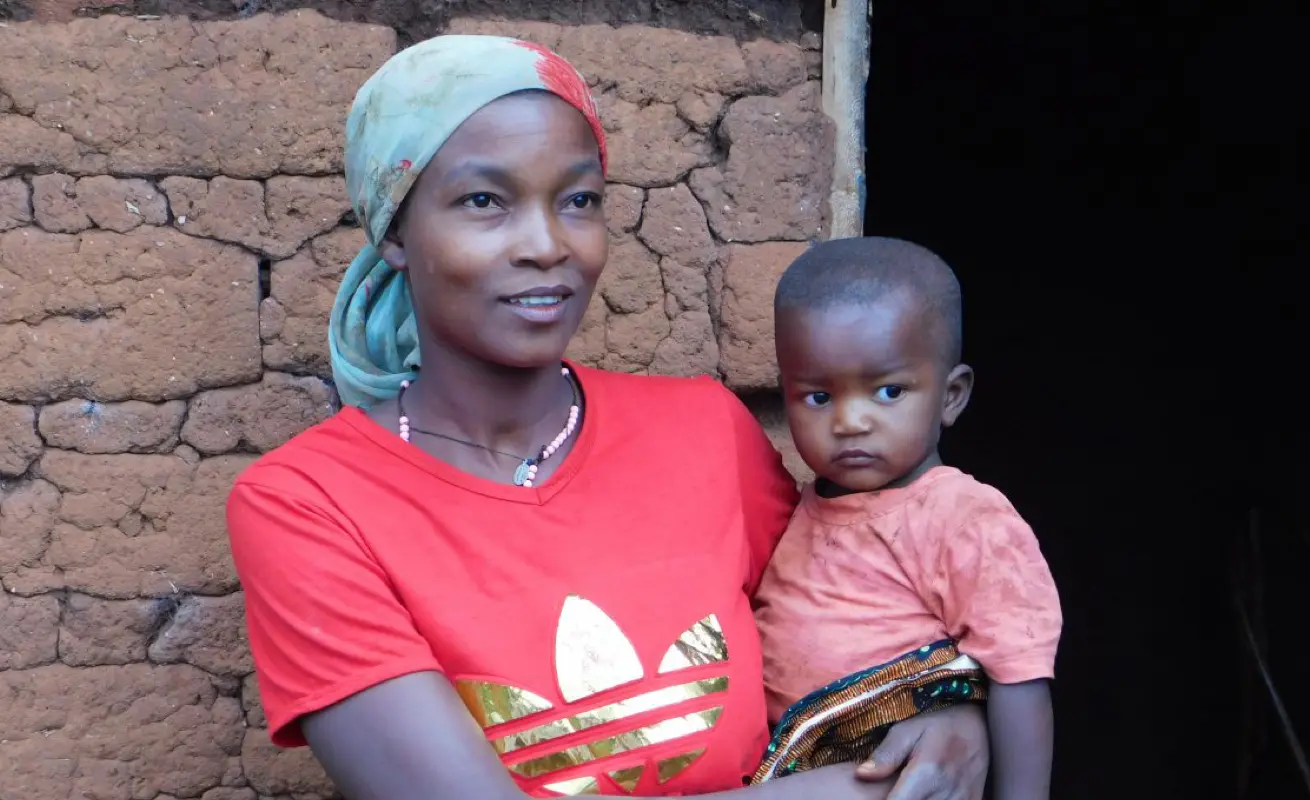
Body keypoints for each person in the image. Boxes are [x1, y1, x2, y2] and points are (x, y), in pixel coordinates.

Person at [225, 35, 990, 800]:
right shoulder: (308, 506)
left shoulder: (705, 434)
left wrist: (938, 713)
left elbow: (850, 641)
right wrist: (868, 792)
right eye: (484, 201)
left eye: (578, 200)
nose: (547, 245)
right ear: (395, 231)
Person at [753, 238, 1063, 799]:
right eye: (818, 397)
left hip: (897, 773)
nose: (850, 421)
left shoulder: (964, 518)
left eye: (888, 391)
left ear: (951, 396)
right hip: (792, 763)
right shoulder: (793, 507)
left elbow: (1019, 674)